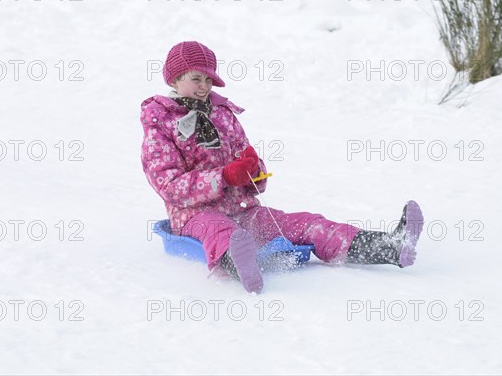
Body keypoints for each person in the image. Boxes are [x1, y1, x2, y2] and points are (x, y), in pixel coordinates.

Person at [140, 41, 424, 293]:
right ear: (175, 79)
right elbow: (168, 185)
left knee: (308, 223)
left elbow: (245, 160)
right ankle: (243, 266)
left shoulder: (223, 114)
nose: (204, 86)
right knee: (221, 231)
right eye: (195, 78)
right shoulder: (161, 123)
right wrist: (223, 177)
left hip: (243, 210)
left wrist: (253, 171)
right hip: (195, 216)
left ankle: (389, 245)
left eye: (208, 80)